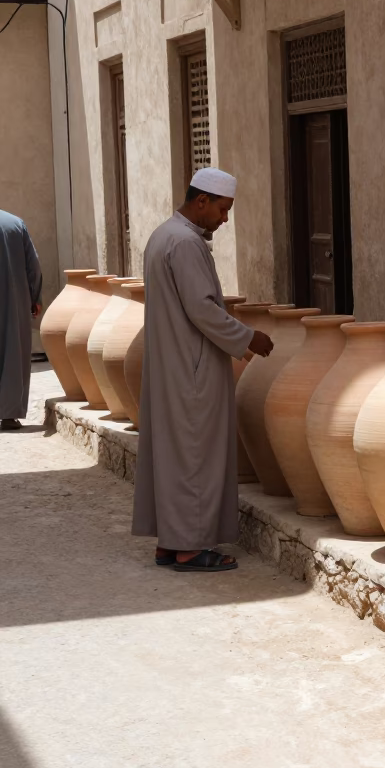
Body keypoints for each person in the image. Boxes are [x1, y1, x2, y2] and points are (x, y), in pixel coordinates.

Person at [132, 168, 274, 572]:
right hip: (191, 368)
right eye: (223, 210)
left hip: (172, 365)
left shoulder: (163, 235)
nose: (224, 219)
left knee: (175, 455)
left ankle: (170, 542)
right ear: (201, 202)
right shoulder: (186, 243)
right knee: (196, 455)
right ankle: (191, 548)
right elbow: (203, 309)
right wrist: (249, 339)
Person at [0, 210, 42, 432]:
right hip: (14, 300)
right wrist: (35, 298)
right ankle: (8, 415)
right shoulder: (15, 224)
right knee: (13, 353)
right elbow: (32, 265)